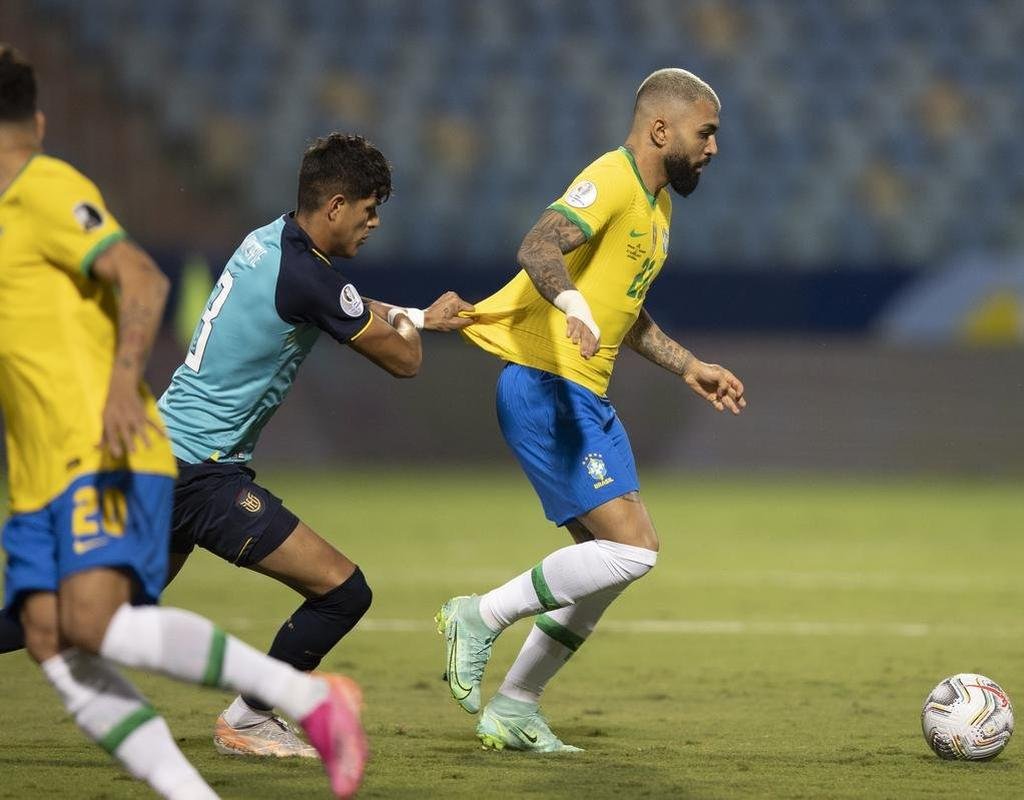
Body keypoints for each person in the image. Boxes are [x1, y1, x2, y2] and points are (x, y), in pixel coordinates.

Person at [0, 45, 365, 798]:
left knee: (87, 626)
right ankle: (268, 717)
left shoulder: (45, 190)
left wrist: (120, 385)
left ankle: (286, 702)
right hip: (97, 460)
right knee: (62, 628)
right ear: (33, 116)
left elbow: (140, 274)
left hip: (142, 455)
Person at [437, 67, 746, 752]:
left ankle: (515, 706)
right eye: (707, 132)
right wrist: (572, 307)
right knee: (634, 552)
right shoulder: (610, 179)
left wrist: (690, 365)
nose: (714, 148)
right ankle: (478, 616)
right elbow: (537, 246)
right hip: (547, 385)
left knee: (609, 566)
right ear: (660, 129)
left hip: (584, 393)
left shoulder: (658, 209)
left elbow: (625, 313)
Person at [156, 132, 474, 758]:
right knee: (343, 591)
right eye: (368, 208)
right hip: (201, 474)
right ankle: (250, 717)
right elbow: (404, 362)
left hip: (161, 456)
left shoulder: (270, 241)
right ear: (333, 206)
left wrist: (419, 314)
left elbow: (341, 300)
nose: (375, 222)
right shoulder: (307, 275)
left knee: (88, 612)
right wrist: (417, 330)